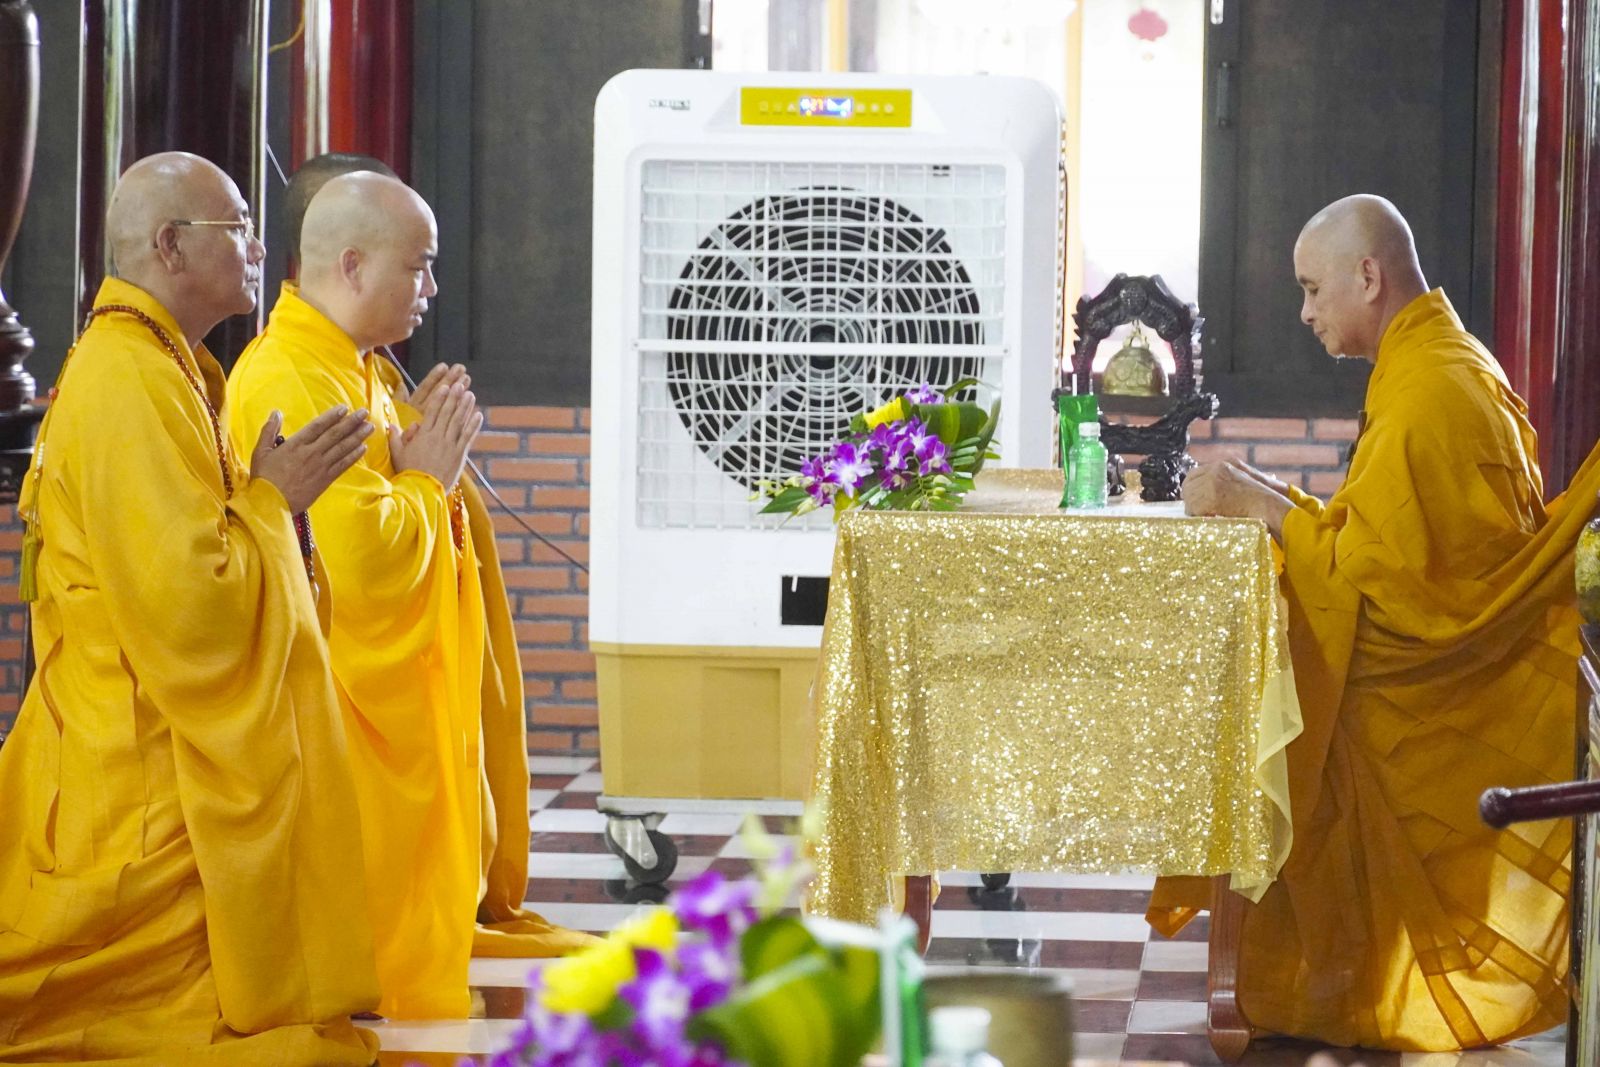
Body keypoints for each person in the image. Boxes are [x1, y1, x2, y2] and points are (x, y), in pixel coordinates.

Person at [1156, 193, 1598, 1050]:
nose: (1305, 312)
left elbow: (1388, 591)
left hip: (1436, 685)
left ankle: (1333, 975)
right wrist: (1271, 496)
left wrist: (1260, 503)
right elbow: (1383, 538)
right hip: (1434, 645)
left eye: (1312, 289)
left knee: (1279, 709)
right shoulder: (1431, 360)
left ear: (1368, 276)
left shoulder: (1432, 386)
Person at [0, 152, 379, 1063]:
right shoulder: (127, 379)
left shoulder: (168, 364)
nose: (260, 247)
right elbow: (191, 611)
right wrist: (273, 503)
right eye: (239, 227)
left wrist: (269, 506)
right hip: (131, 755)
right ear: (170, 246)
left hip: (133, 727)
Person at [226, 170, 595, 1020]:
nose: (431, 287)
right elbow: (360, 563)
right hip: (341, 703)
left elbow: (383, 498)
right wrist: (429, 479)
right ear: (353, 265)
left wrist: (421, 466)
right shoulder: (290, 375)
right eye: (418, 265)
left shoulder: (356, 372)